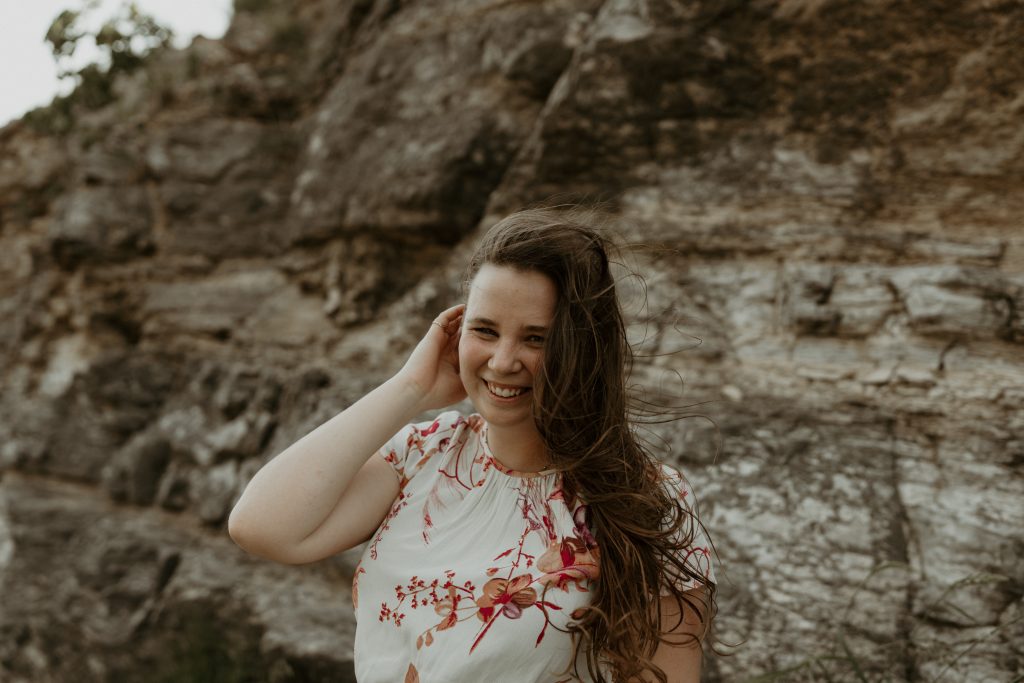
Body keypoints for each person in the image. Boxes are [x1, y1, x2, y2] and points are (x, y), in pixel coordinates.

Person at [228, 207, 717, 682]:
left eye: (537, 339)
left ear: (583, 347)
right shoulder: (423, 456)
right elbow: (263, 527)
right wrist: (409, 388)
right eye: (484, 330)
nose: (503, 362)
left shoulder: (647, 498)